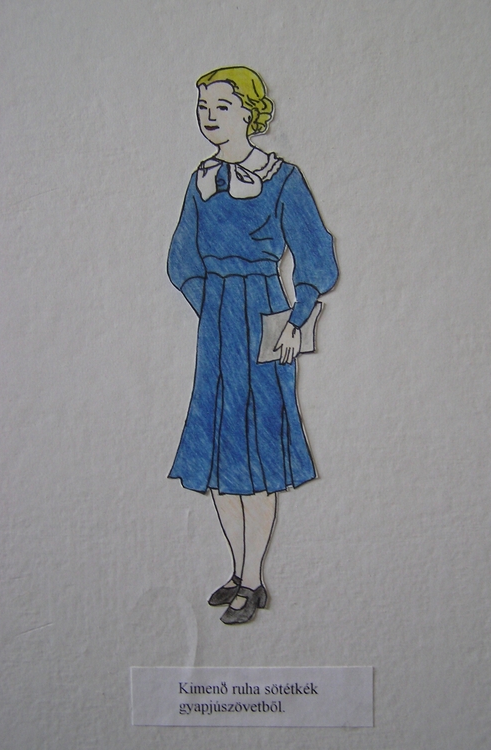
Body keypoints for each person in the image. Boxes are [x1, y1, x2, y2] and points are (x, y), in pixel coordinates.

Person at [167, 66, 338, 624]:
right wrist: (211, 305)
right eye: (202, 107)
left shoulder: (283, 179)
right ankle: (237, 571)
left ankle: (254, 580)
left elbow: (316, 257)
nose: (209, 116)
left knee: (258, 451)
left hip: (266, 314)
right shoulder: (200, 180)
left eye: (221, 106)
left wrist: (296, 319)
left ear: (250, 112)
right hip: (218, 322)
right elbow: (181, 259)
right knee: (219, 448)